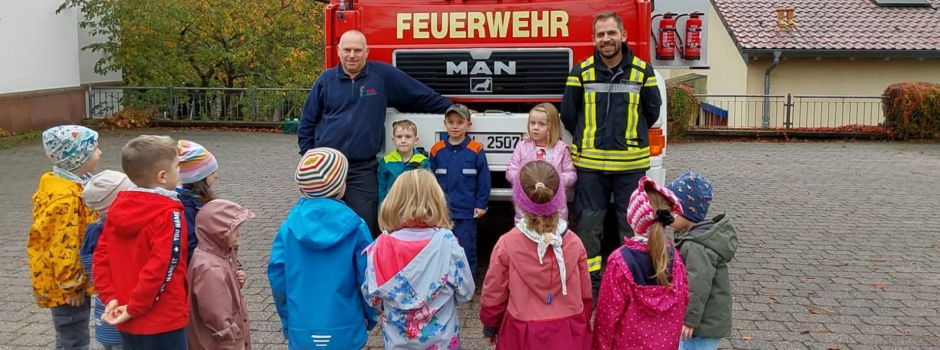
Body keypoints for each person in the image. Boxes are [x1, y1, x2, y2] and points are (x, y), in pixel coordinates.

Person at [298, 29, 452, 235]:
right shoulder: (325, 80)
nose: (352, 55)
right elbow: (307, 121)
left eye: (357, 50)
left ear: (367, 51)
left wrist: (452, 109)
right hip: (327, 166)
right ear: (339, 51)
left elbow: (420, 94)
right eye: (347, 50)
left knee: (365, 223)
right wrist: (308, 156)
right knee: (323, 224)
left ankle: (364, 265)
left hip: (362, 168)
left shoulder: (382, 76)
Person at [560, 11, 664, 294]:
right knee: (590, 225)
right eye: (601, 34)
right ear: (594, 38)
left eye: (611, 33)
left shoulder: (644, 72)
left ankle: (629, 277)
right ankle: (591, 282)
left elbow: (651, 112)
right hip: (591, 165)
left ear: (623, 36)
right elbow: (569, 114)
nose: (606, 39)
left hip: (631, 166)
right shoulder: (580, 72)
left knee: (631, 224)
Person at [267, 148, 376, 349]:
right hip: (347, 326)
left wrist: (287, 319)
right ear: (341, 186)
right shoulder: (356, 226)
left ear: (302, 188)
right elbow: (368, 279)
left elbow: (277, 277)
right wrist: (370, 315)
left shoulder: (288, 228)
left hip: (302, 327)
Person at [480, 161, 592, 349]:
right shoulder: (574, 242)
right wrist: (584, 320)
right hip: (569, 330)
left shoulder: (507, 244)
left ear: (519, 200)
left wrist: (491, 325)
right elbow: (585, 294)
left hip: (522, 332)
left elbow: (494, 293)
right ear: (559, 198)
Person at [93, 135, 190, 349]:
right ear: (162, 176)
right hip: (162, 318)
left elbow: (101, 257)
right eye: (177, 166)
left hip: (126, 314)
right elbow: (162, 267)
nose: (180, 171)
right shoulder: (168, 213)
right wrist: (135, 306)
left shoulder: (117, 207)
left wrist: (110, 298)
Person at [361, 169, 475, 349]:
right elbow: (466, 292)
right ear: (437, 202)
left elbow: (372, 297)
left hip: (397, 342)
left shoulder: (379, 246)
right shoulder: (446, 242)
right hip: (442, 340)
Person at [593, 177, 688, 350]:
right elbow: (683, 301)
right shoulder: (675, 259)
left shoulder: (619, 261)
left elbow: (607, 316)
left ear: (632, 217)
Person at [28, 125, 101, 349]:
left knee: (72, 336)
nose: (100, 153)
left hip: (70, 281)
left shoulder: (65, 183)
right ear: (78, 158)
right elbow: (61, 247)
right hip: (67, 288)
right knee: (74, 339)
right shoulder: (66, 199)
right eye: (95, 149)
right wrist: (72, 286)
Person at [668, 172, 737, 350]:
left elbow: (697, 286)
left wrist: (689, 320)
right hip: (704, 323)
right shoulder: (693, 238)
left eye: (672, 210)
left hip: (701, 327)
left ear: (687, 212)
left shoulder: (696, 246)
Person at [429, 103, 491, 275]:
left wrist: (481, 204)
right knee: (441, 249)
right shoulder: (436, 150)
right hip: (442, 212)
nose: (455, 126)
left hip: (466, 212)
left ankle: (467, 284)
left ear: (468, 125)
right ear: (445, 123)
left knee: (466, 249)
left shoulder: (476, 150)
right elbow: (430, 180)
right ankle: (442, 282)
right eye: (450, 122)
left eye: (460, 122)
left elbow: (484, 180)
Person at [188, 199, 255, 350]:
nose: (239, 234)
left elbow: (222, 292)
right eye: (234, 231)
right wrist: (229, 343)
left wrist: (236, 279)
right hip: (221, 343)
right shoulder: (210, 268)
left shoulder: (218, 254)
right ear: (217, 233)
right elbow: (216, 315)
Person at [81, 170, 136, 350]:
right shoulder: (103, 234)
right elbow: (94, 269)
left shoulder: (93, 231)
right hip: (116, 308)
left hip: (108, 306)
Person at [506, 103, 576, 222]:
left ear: (552, 127)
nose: (535, 127)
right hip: (526, 210)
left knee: (552, 238)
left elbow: (571, 174)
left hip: (554, 211)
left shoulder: (561, 149)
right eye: (532, 123)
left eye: (541, 124)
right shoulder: (522, 146)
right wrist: (525, 180)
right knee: (526, 238)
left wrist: (555, 180)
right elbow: (510, 171)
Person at [176, 140, 220, 265]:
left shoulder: (192, 199)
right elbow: (190, 242)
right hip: (195, 266)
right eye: (212, 172)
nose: (216, 175)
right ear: (197, 177)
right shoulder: (187, 206)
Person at [378, 119, 430, 205]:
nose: (403, 140)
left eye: (408, 136)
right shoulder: (386, 162)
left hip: (415, 208)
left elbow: (427, 189)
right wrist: (382, 211)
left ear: (416, 140)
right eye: (399, 137)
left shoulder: (423, 161)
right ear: (393, 140)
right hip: (393, 208)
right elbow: (381, 190)